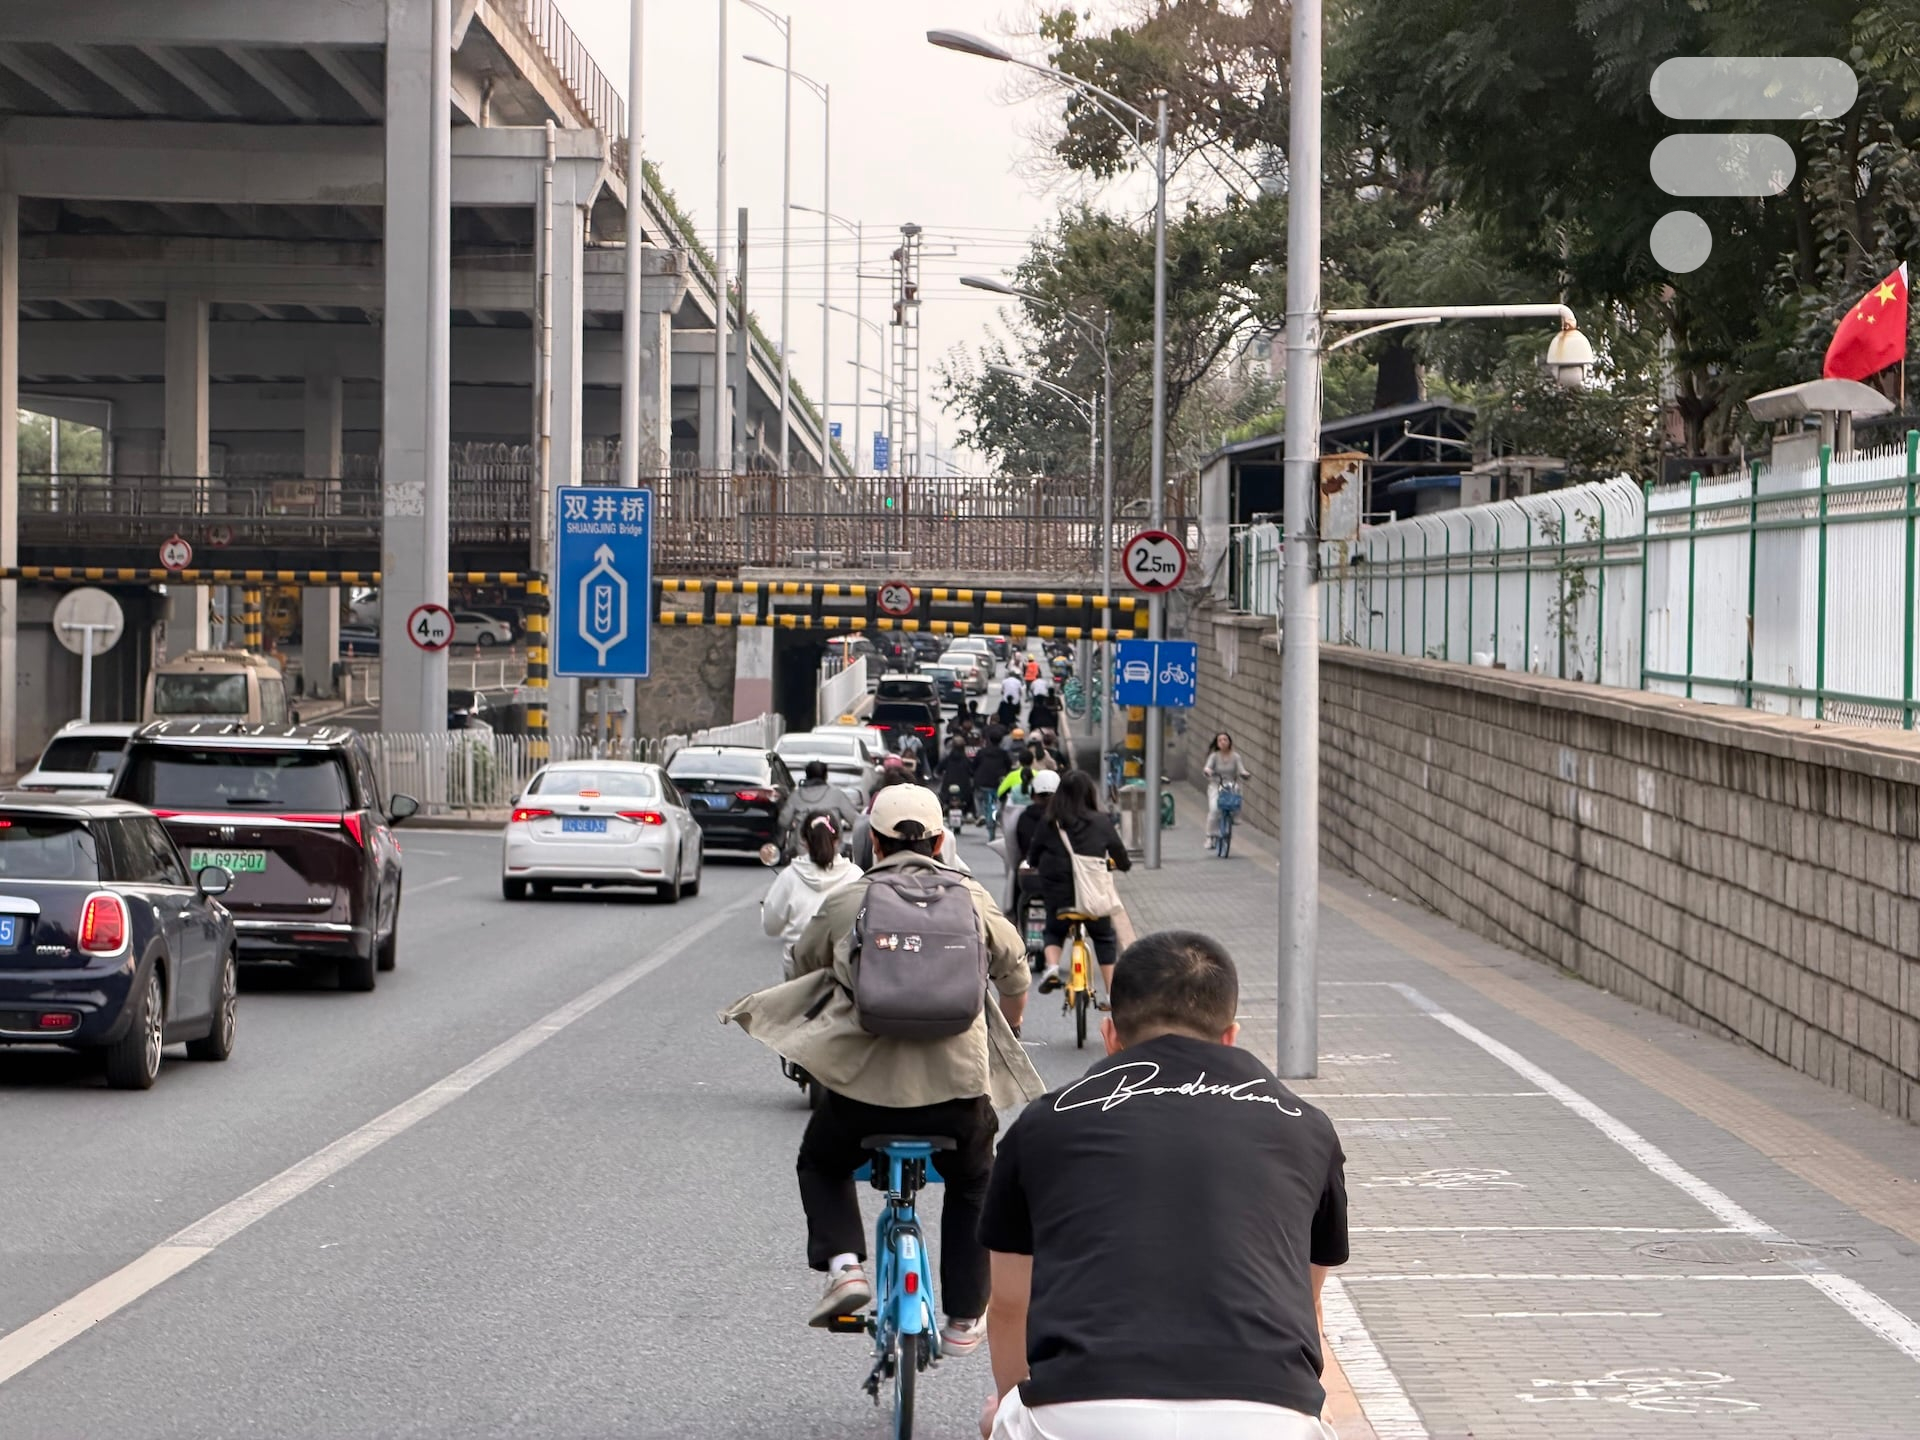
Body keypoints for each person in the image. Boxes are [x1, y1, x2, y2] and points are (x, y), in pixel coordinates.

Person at [978, 932, 1349, 1440]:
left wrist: (1009, 1405)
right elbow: (1307, 1300)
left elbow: (1008, 1305)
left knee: (996, 1418)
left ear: (1110, 1035)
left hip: (1084, 1410)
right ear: (1230, 1036)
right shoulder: (1306, 1127)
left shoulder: (1042, 1125)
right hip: (1269, 1413)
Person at [721, 786, 1042, 1357]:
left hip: (860, 1096)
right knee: (974, 1180)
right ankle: (965, 1315)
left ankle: (846, 1267)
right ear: (940, 842)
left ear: (874, 841)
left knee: (821, 1161)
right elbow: (1015, 974)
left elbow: (803, 965)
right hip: (957, 1095)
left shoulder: (851, 898)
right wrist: (1009, 1026)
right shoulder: (972, 899)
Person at [1025, 770, 1131, 995]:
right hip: (1092, 897)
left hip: (1059, 896)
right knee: (1104, 937)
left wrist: (1036, 862)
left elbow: (1033, 855)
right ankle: (1111, 994)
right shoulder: (1101, 821)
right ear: (1090, 793)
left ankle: (1052, 967)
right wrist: (1123, 865)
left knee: (1053, 930)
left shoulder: (1049, 821)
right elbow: (1119, 853)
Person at [760, 812, 862, 978]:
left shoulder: (789, 876)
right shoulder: (856, 876)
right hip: (843, 964)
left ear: (804, 841)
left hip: (799, 965)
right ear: (837, 840)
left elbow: (771, 927)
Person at [779, 760, 858, 853]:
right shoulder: (837, 794)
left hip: (803, 851)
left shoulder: (795, 796)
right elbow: (854, 819)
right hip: (833, 850)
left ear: (806, 775)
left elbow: (783, 821)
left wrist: (792, 827)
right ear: (826, 776)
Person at [1203, 732, 1253, 853]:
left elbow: (1241, 769)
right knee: (1214, 809)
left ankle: (1235, 816)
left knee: (1236, 794)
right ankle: (1210, 836)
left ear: (1229, 742)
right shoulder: (1214, 756)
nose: (1223, 742)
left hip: (1230, 784)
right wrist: (1208, 771)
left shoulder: (1235, 756)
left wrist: (1244, 773)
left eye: (1225, 739)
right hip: (1216, 784)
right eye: (1220, 740)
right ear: (1217, 743)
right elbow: (1207, 767)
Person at [971, 730, 1014, 841]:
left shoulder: (982, 752)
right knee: (1000, 801)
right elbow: (1009, 766)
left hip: (982, 782)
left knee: (978, 797)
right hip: (998, 783)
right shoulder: (1003, 753)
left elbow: (974, 766)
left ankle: (981, 814)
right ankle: (998, 816)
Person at [938, 737, 977, 827]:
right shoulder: (966, 760)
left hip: (948, 786)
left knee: (941, 797)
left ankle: (943, 813)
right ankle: (970, 813)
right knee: (970, 797)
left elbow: (938, 769)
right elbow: (972, 771)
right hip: (964, 788)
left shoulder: (948, 759)